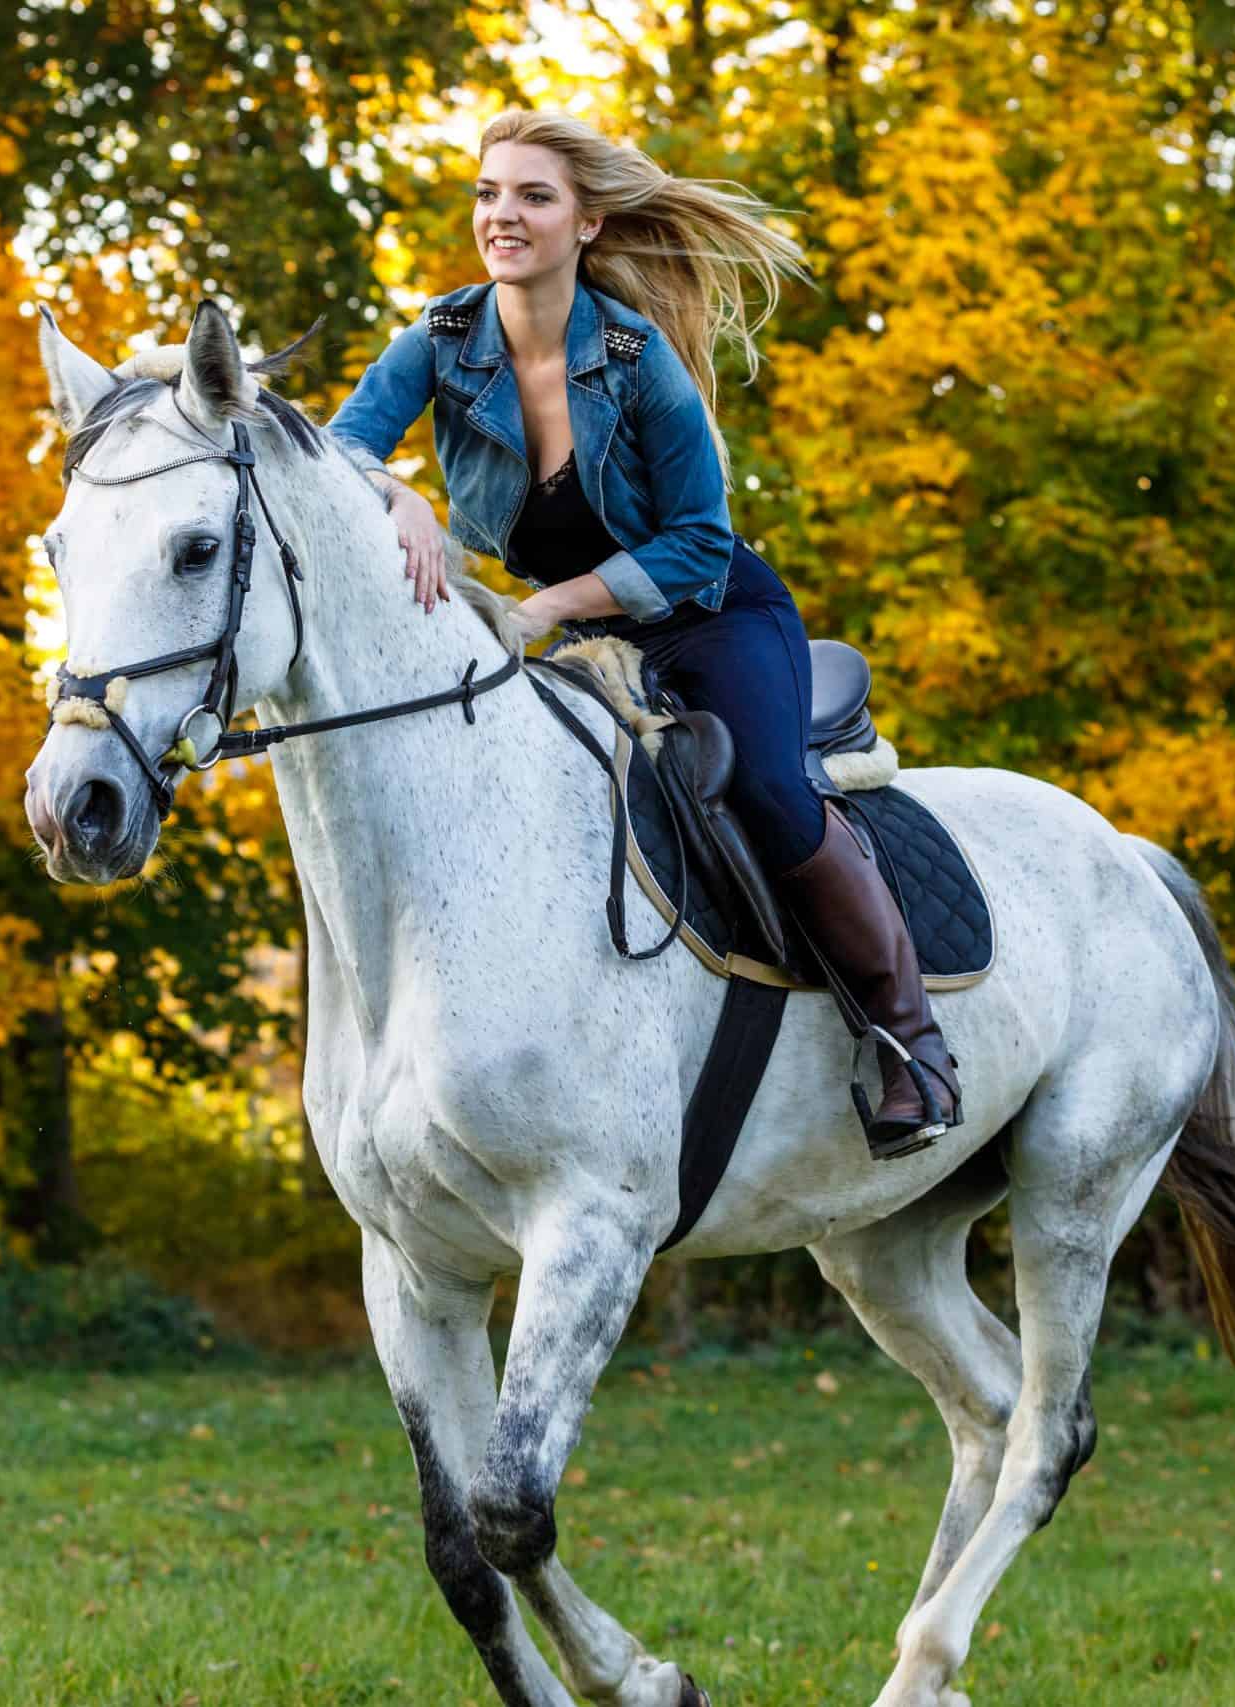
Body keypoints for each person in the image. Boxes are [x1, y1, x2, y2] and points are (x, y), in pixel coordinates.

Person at [325, 110, 960, 1159]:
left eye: (533, 196)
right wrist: (392, 493)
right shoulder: (439, 336)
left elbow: (697, 546)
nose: (502, 216)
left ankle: (909, 1043)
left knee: (763, 788)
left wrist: (546, 607)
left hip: (708, 615)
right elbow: (339, 447)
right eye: (489, 193)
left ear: (586, 223)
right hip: (569, 627)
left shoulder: (635, 354)